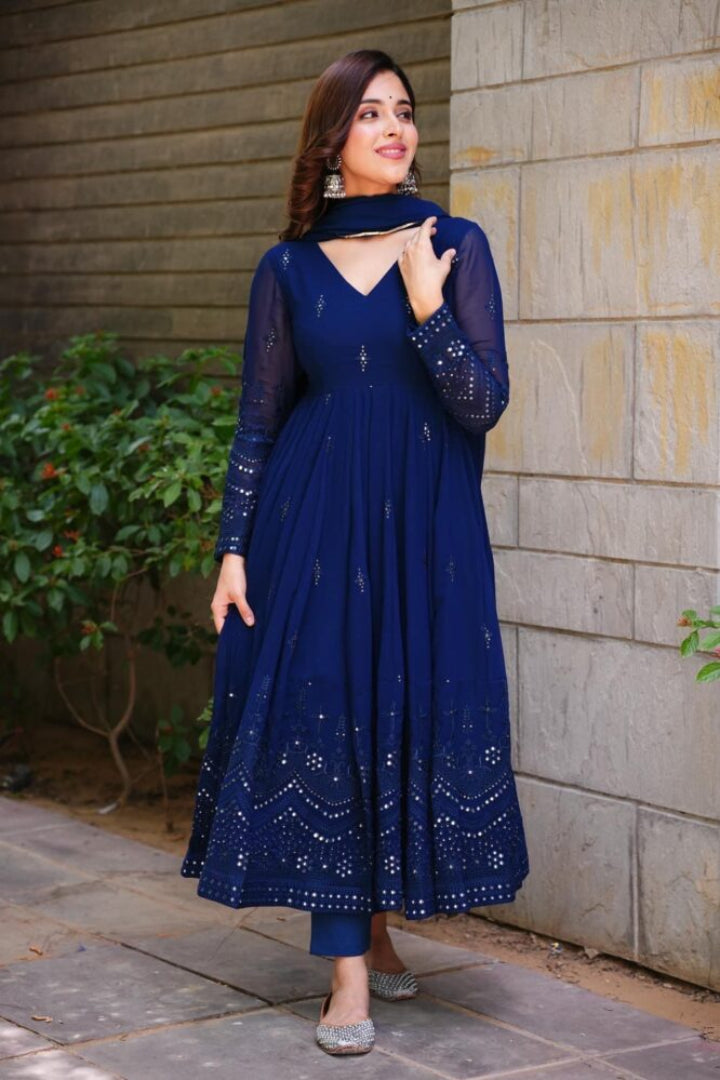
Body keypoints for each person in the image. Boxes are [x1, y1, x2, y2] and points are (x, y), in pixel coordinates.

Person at [180, 48, 529, 1055]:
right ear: (332, 140)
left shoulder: (454, 245)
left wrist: (427, 305)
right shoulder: (286, 267)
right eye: (369, 112)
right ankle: (345, 979)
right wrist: (234, 550)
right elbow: (259, 419)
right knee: (327, 715)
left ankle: (374, 929)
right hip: (313, 530)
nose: (394, 127)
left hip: (427, 537)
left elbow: (482, 405)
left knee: (401, 706)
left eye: (405, 112)